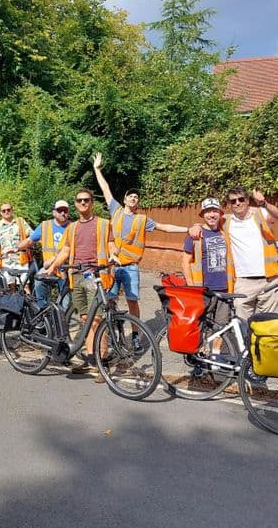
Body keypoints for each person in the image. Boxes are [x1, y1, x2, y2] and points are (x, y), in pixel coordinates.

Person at [93, 152, 189, 327]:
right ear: (124, 199)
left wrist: (188, 229)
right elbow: (105, 189)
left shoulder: (142, 220)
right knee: (110, 300)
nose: (133, 198)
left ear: (138, 202)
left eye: (136, 197)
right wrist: (96, 169)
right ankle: (115, 329)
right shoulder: (116, 210)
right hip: (112, 266)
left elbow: (165, 227)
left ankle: (136, 333)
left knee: (132, 302)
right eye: (131, 196)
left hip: (131, 267)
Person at [47, 188, 118, 382]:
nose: (83, 203)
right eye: (79, 200)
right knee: (86, 319)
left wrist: (113, 255)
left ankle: (102, 364)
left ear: (92, 202)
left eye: (86, 200)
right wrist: (53, 266)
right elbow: (66, 250)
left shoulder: (104, 224)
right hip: (77, 277)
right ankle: (90, 361)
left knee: (97, 320)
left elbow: (112, 245)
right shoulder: (72, 227)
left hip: (96, 276)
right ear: (76, 204)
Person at [192, 187, 278, 321]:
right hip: (243, 282)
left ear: (247, 201)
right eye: (233, 201)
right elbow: (209, 221)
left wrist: (264, 203)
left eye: (241, 199)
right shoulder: (226, 221)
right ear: (229, 205)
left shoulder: (260, 213)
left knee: (272, 323)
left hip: (270, 279)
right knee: (242, 324)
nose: (237, 203)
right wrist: (196, 226)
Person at [182, 198, 235, 325]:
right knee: (201, 325)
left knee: (221, 325)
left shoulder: (225, 233)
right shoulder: (195, 235)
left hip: (224, 288)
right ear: (202, 215)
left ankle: (216, 346)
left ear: (220, 213)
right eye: (207, 211)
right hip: (203, 290)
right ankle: (203, 346)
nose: (211, 215)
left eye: (215, 211)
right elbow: (185, 262)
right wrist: (191, 286)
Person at [16, 200, 71, 307]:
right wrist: (17, 247)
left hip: (66, 267)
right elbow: (29, 241)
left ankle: (64, 319)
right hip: (48, 267)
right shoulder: (45, 226)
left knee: (66, 299)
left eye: (65, 210)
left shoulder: (73, 227)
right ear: (54, 212)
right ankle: (44, 313)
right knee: (38, 281)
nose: (63, 213)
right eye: (60, 210)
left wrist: (54, 260)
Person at [0, 202, 33, 289]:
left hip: (21, 259)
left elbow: (33, 236)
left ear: (12, 210)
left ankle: (27, 302)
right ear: (1, 213)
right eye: (4, 210)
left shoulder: (20, 222)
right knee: (9, 287)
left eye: (8, 210)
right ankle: (13, 302)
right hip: (6, 261)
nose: (6, 212)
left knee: (25, 285)